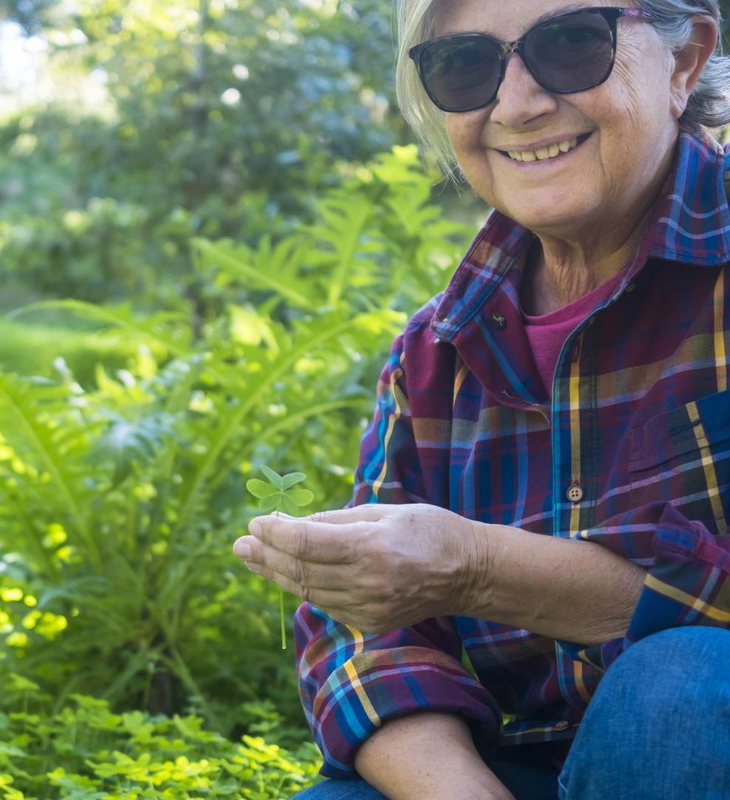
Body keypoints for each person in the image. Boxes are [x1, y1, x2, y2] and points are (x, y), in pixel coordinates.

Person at [232, 2, 730, 799]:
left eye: (571, 45)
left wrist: (476, 568)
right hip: (500, 768)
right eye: (465, 64)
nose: (517, 104)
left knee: (681, 688)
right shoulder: (436, 349)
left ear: (685, 61)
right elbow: (366, 635)